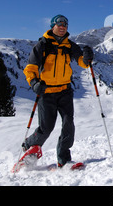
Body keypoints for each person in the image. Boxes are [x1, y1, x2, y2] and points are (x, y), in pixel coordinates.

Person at [21, 14, 94, 167]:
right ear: (52, 26)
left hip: (65, 91)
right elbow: (30, 68)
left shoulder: (70, 45)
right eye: (59, 24)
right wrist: (34, 83)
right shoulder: (43, 45)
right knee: (46, 127)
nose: (62, 27)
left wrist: (86, 58)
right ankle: (30, 146)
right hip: (46, 92)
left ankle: (64, 159)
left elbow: (82, 63)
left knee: (69, 124)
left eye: (65, 25)